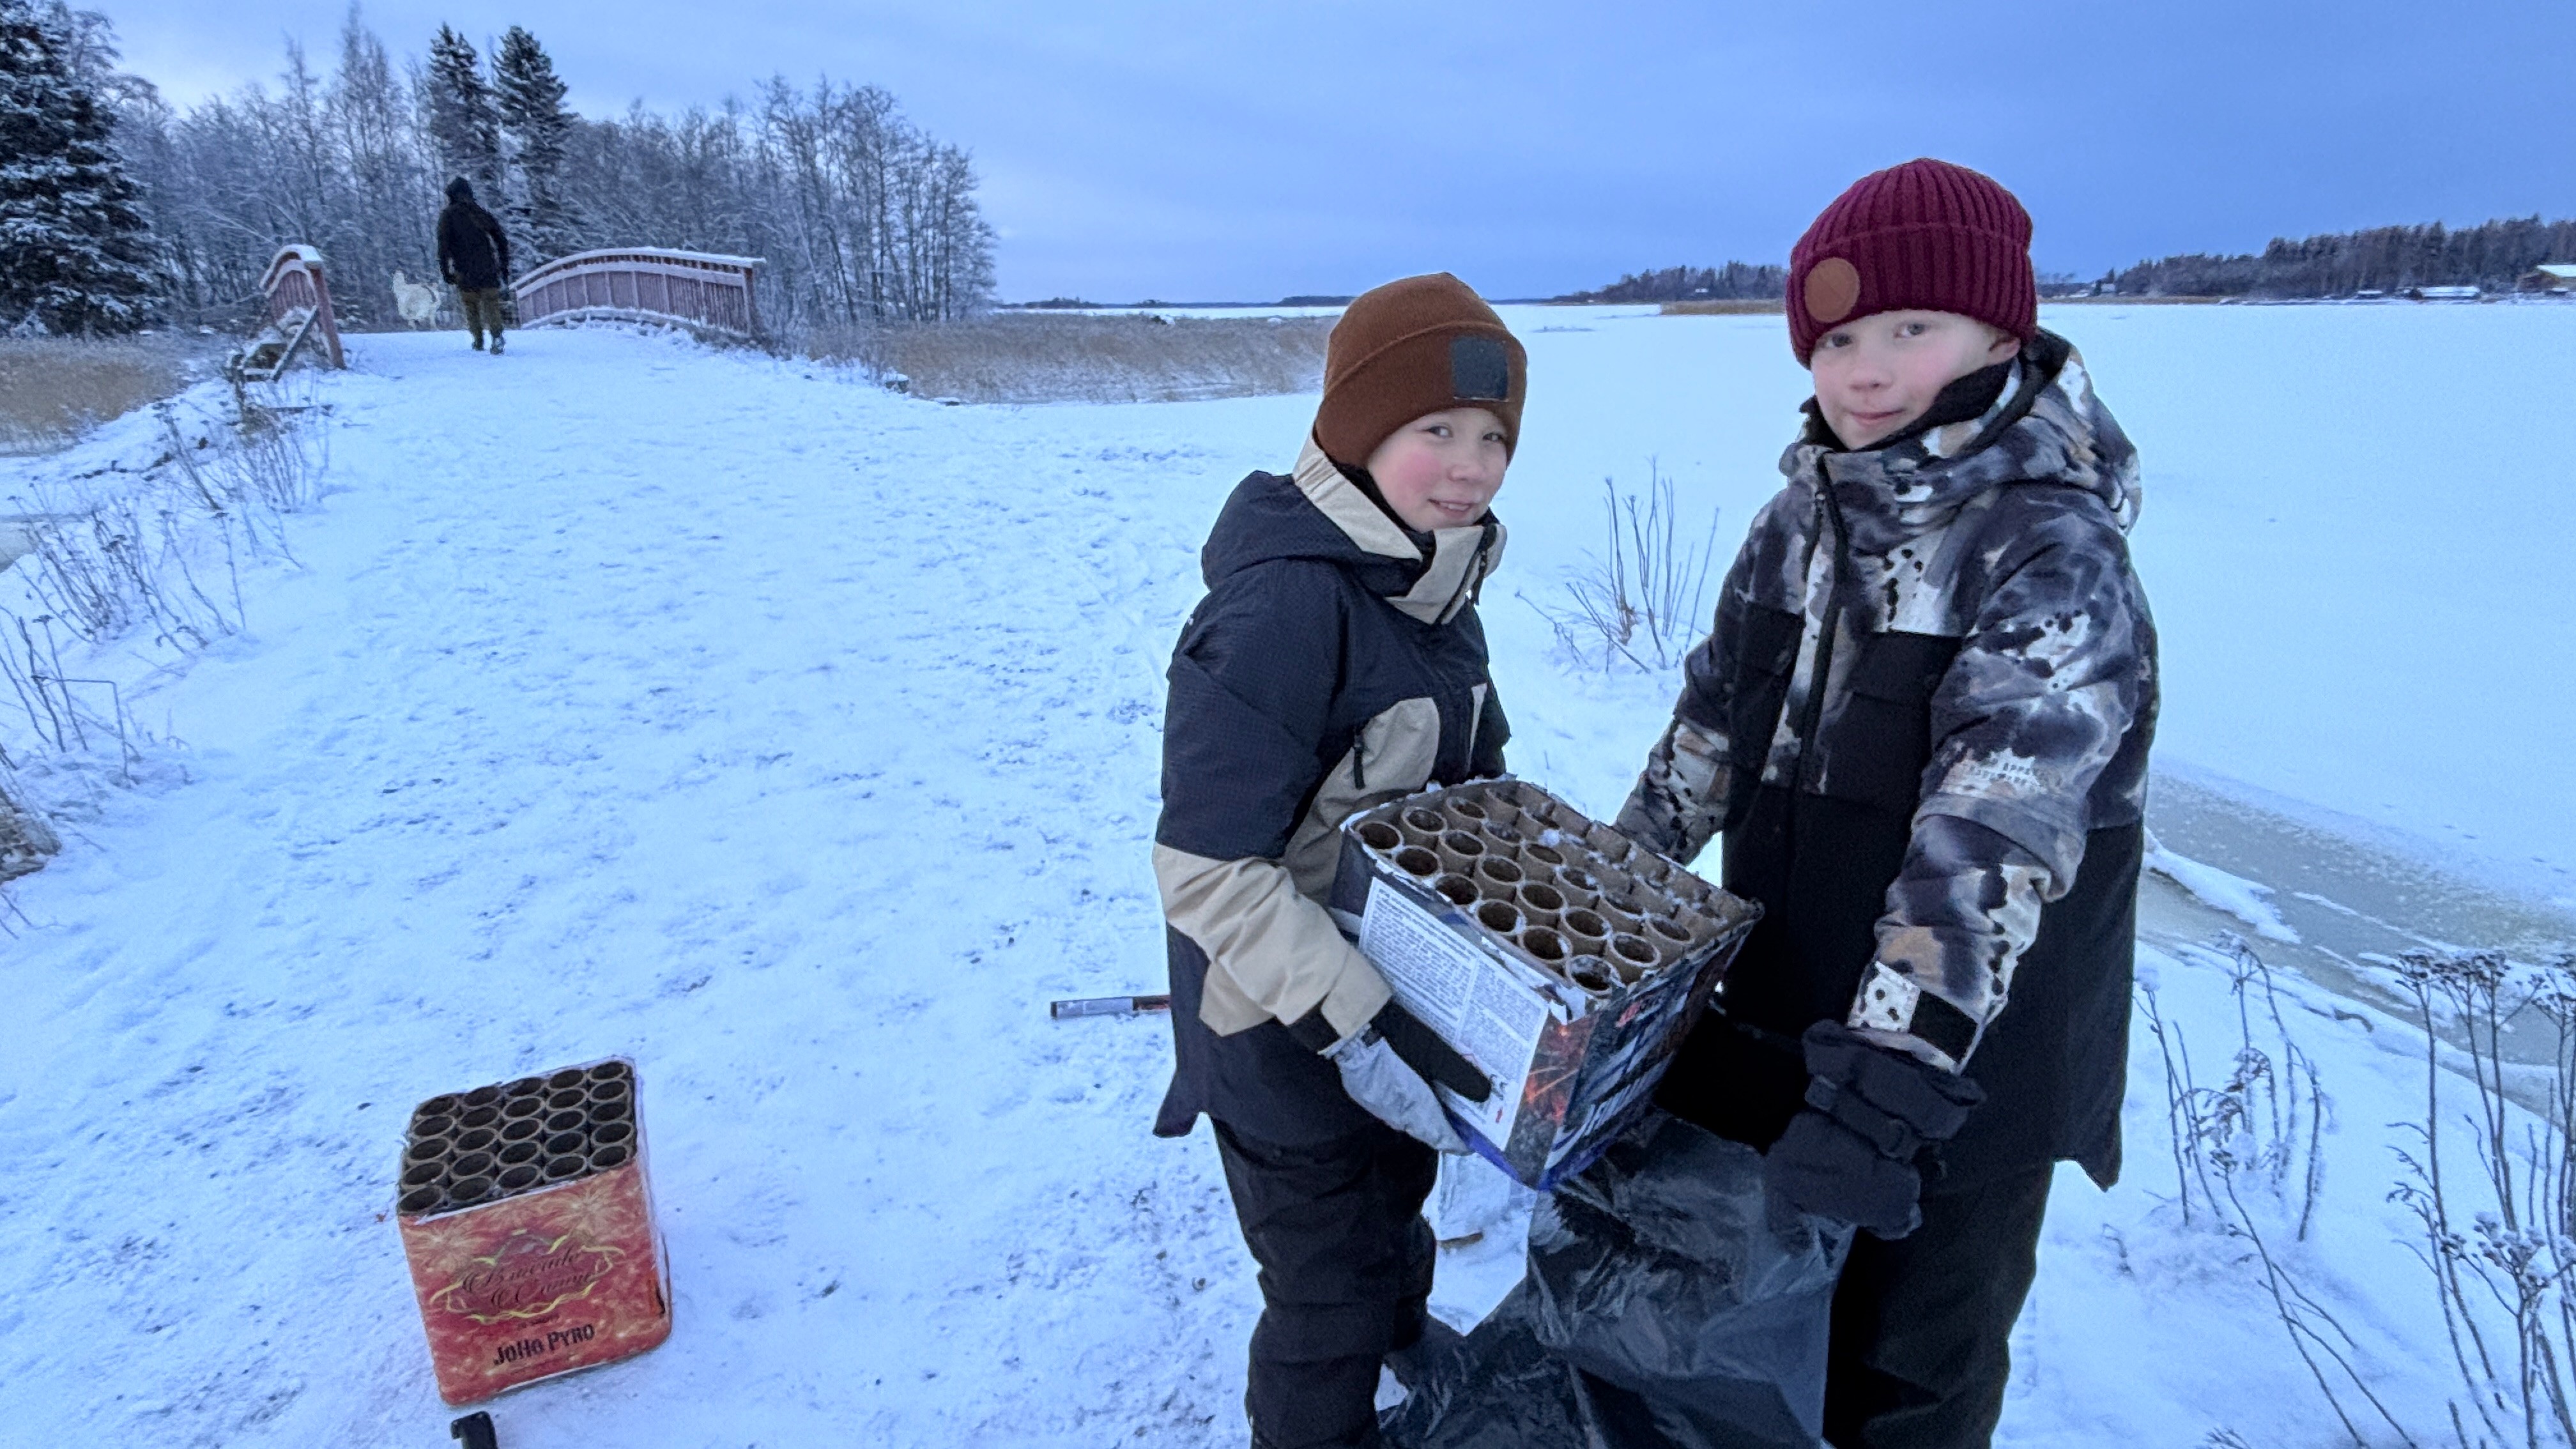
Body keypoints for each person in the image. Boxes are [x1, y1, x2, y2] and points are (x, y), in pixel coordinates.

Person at [1614, 158, 2158, 1449]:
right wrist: (1610, 899)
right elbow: (1707, 732)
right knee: (1757, 1340)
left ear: (2000, 329)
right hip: (1787, 1010)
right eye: (1840, 337)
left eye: (1910, 329)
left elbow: (1996, 830)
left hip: (1958, 1065)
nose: (1865, 370)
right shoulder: (1793, 523)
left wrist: (1886, 1074)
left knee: (1907, 1376)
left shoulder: (2047, 548)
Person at [1151, 273, 1526, 1449]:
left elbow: (1476, 775)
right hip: (1278, 1026)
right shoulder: (1282, 609)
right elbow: (1206, 866)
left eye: (1493, 438)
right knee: (1322, 1294)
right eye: (1436, 430)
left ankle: (1407, 1335)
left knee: (1395, 1206)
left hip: (1398, 999)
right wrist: (1355, 1020)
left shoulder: (1435, 578)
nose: (1469, 465)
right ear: (1359, 429)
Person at [436, 177, 511, 354]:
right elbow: (501, 240)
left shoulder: (448, 216)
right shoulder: (480, 213)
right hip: (488, 268)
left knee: (471, 307)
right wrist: (503, 266)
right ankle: (497, 336)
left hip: (464, 270)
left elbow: (443, 247)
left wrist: (446, 272)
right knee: (491, 304)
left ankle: (478, 340)